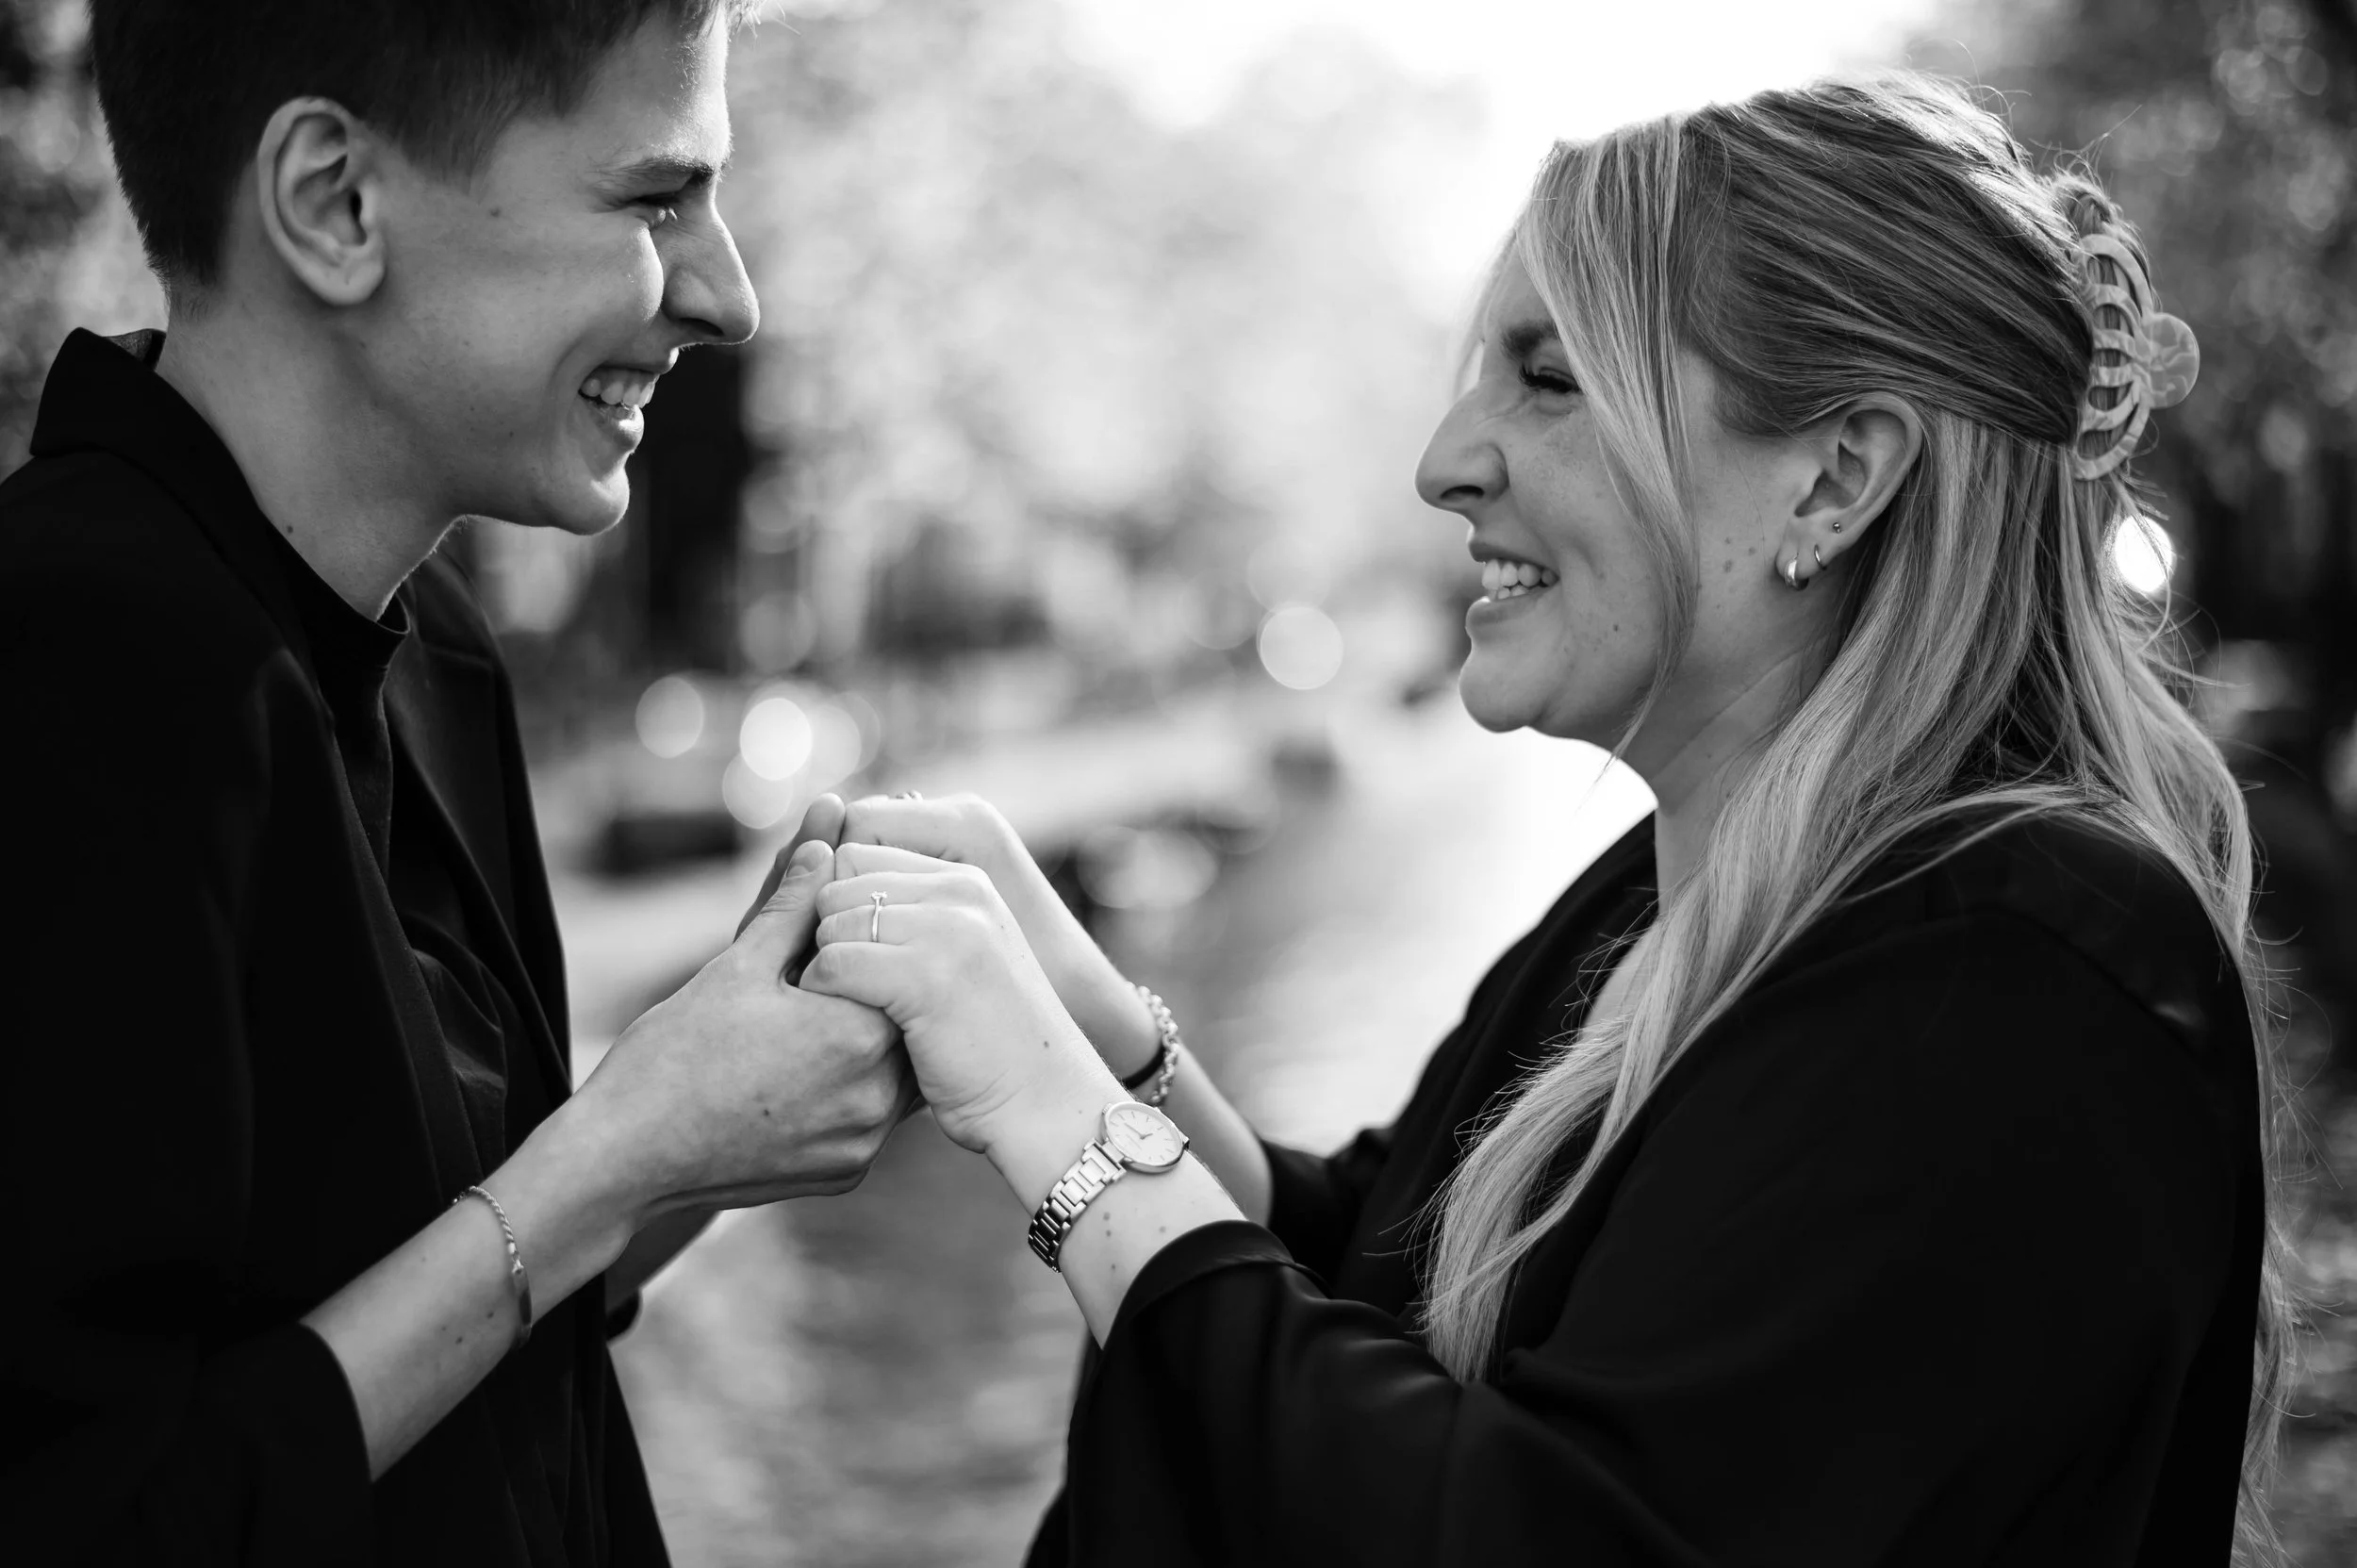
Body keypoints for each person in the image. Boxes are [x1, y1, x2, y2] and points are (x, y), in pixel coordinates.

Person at [792, 74, 2290, 1566]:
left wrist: (1053, 1126)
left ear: (1835, 479)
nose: (1445, 459)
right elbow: (1364, 1261)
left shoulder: (2022, 978)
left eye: (1550, 378)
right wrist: (1087, 1020)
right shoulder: (1670, 899)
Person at [0, 3, 912, 1563]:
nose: (729, 294)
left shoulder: (439, 657)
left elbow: (474, 1321)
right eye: (652, 198)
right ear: (335, 205)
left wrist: (706, 1113)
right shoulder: (55, 660)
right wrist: (612, 1155)